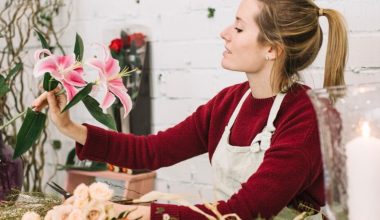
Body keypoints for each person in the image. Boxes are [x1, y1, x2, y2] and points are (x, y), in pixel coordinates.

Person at [33, 0, 348, 219]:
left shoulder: (306, 117)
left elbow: (246, 211)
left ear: (272, 49)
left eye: (239, 29)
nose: (224, 33)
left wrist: (137, 213)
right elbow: (151, 151)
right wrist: (70, 128)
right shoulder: (229, 103)